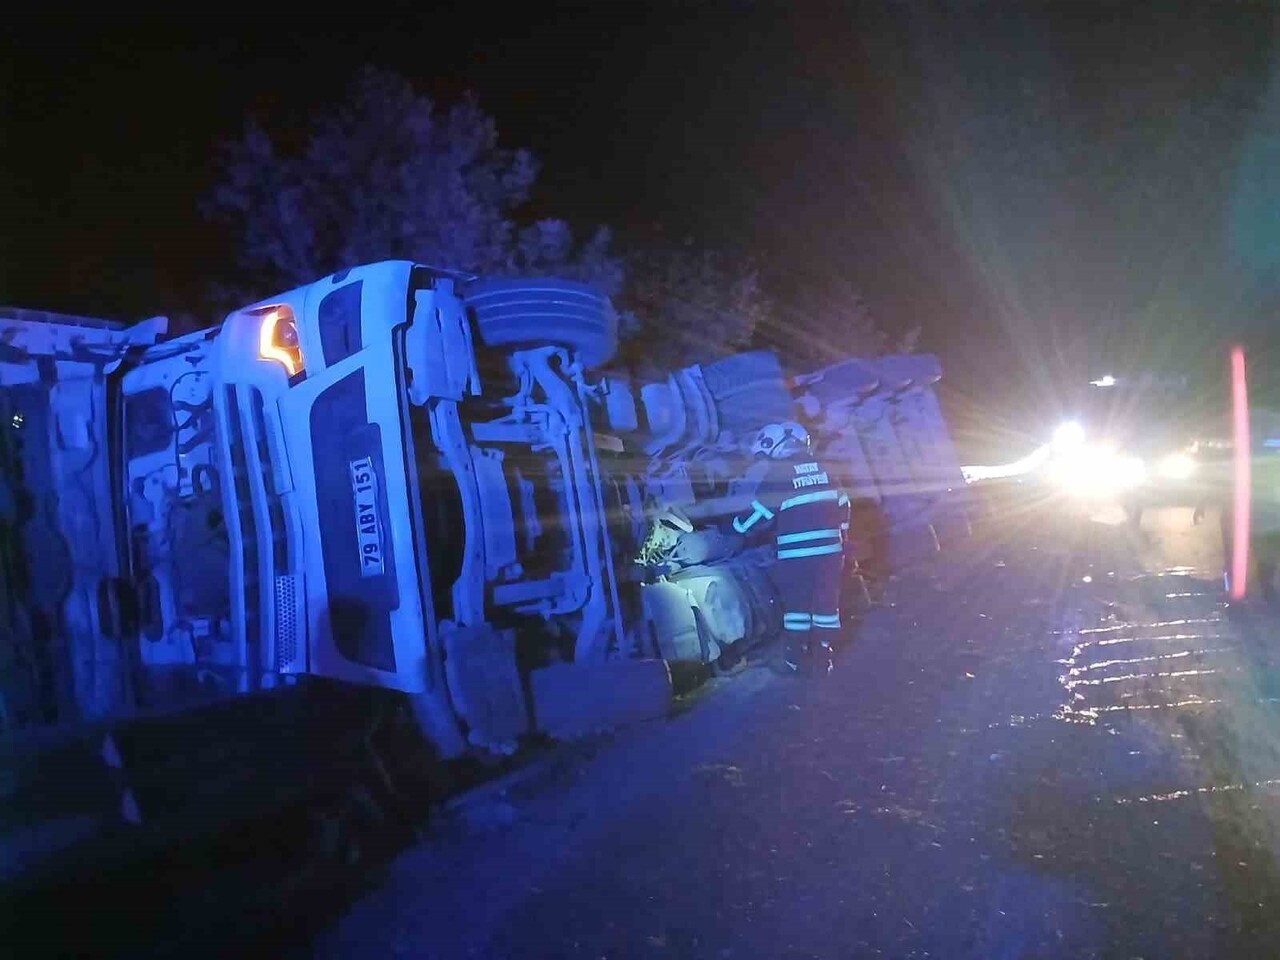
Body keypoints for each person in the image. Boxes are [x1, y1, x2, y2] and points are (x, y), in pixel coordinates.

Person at [731, 421, 850, 673]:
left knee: (797, 606)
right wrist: (841, 537)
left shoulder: (778, 475)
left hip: (797, 557)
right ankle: (823, 656)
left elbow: (758, 515)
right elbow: (844, 505)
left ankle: (793, 659)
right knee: (826, 604)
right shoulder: (826, 469)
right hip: (831, 553)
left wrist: (735, 528)